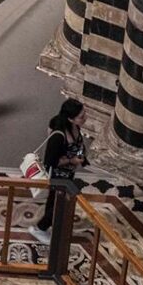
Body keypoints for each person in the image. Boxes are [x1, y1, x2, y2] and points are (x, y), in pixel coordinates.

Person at [29, 98, 87, 241]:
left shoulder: (74, 127)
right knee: (58, 204)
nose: (85, 118)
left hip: (68, 174)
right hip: (58, 176)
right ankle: (39, 228)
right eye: (81, 116)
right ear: (70, 119)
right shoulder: (59, 136)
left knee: (54, 202)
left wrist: (80, 157)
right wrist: (71, 160)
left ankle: (46, 225)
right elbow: (51, 161)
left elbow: (77, 145)